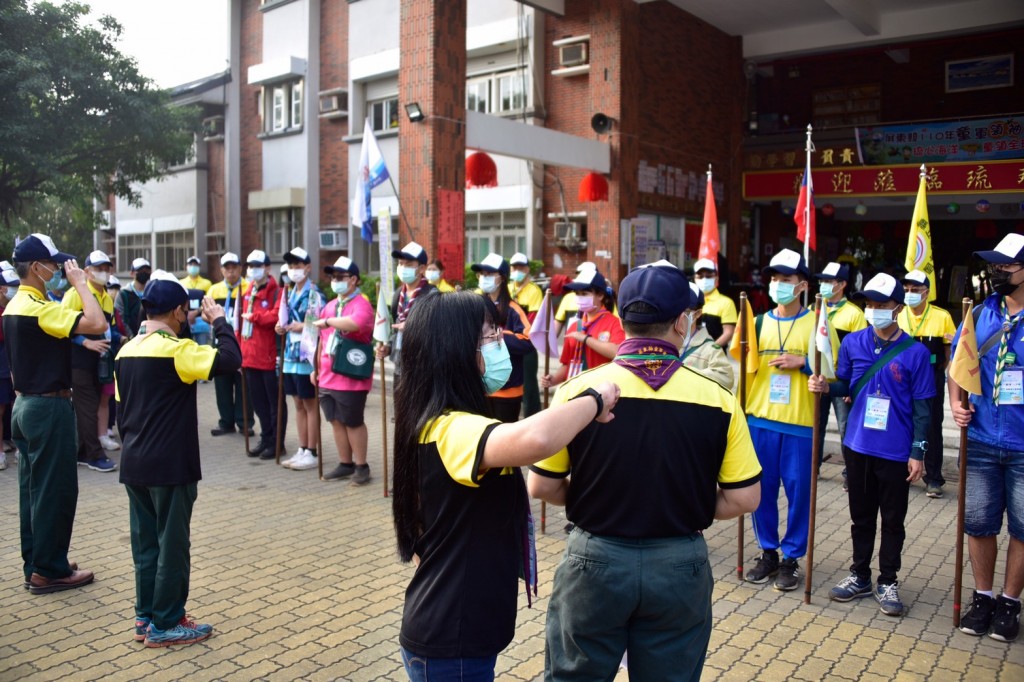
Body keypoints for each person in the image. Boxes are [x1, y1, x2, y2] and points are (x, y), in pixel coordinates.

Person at [528, 262, 761, 681]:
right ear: (681, 322)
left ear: (620, 317)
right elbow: (744, 498)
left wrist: (587, 494)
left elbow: (541, 484)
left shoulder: (577, 392)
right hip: (679, 564)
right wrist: (678, 501)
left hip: (594, 558)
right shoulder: (719, 399)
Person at [392, 290, 620, 681]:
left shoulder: (442, 420)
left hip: (455, 632)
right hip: (451, 641)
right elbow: (535, 440)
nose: (502, 344)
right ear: (454, 350)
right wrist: (594, 400)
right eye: (491, 335)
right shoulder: (452, 427)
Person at [115, 271, 241, 647]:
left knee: (146, 543)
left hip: (134, 462)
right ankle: (167, 621)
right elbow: (230, 360)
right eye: (185, 311)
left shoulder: (125, 351)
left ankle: (145, 615)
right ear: (177, 312)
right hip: (170, 464)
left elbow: (121, 413)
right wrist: (220, 321)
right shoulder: (178, 351)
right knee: (172, 544)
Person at [809, 273, 933, 617]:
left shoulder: (917, 353)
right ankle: (859, 575)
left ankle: (888, 580)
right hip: (858, 446)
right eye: (870, 304)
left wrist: (918, 452)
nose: (875, 310)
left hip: (895, 451)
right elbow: (846, 385)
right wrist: (824, 387)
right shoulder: (853, 343)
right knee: (861, 517)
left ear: (897, 308)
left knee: (893, 520)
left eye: (882, 305)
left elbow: (924, 407)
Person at [5, 233, 107, 594]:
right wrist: (82, 285)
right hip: (48, 405)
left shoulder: (15, 305)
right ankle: (50, 570)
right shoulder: (40, 309)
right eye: (52, 264)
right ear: (36, 267)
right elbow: (97, 324)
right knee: (55, 490)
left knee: (33, 490)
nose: (59, 269)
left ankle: (39, 561)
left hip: (24, 404)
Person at [950, 233, 1024, 642]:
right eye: (994, 266)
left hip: (1022, 445)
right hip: (979, 439)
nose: (997, 273)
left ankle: (1010, 603)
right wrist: (957, 404)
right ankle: (982, 598)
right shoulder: (979, 314)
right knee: (978, 524)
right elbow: (957, 367)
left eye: (1006, 266)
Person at [744, 249, 830, 592]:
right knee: (760, 492)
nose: (778, 284)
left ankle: (792, 558)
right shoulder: (758, 323)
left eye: (786, 279)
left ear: (802, 285)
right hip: (760, 422)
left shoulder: (817, 323)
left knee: (799, 494)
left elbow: (833, 372)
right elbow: (744, 372)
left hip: (799, 424)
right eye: (774, 278)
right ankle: (768, 552)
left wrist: (805, 364)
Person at [313, 256, 374, 485]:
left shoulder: (361, 304)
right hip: (328, 376)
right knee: (335, 420)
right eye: (333, 277)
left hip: (350, 377)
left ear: (354, 280)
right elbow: (321, 339)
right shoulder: (330, 305)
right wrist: (316, 368)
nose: (335, 281)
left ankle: (361, 465)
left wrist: (329, 321)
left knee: (353, 421)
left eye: (341, 277)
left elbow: (356, 324)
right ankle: (345, 463)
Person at [897, 269, 957, 499]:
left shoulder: (941, 316)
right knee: (903, 422)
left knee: (931, 425)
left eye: (915, 290)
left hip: (931, 376)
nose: (910, 294)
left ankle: (933, 478)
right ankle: (905, 471)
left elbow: (947, 348)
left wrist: (939, 368)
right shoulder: (900, 314)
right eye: (907, 290)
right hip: (901, 377)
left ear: (927, 293)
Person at [63, 250, 119, 472]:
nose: (104, 272)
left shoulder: (107, 297)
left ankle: (82, 451)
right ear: (85, 271)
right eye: (99, 268)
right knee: (86, 408)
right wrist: (85, 342)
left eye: (107, 268)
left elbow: (107, 328)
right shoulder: (74, 294)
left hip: (98, 361)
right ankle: (94, 455)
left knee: (93, 405)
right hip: (78, 361)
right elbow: (62, 326)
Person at [814, 262, 867, 485]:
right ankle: (813, 468)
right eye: (822, 281)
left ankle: (850, 472)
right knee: (816, 424)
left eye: (829, 281)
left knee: (846, 426)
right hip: (819, 379)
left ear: (843, 284)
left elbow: (861, 352)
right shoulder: (814, 309)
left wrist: (853, 385)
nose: (824, 285)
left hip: (842, 380)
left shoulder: (854, 314)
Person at [277, 247, 324, 472]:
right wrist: (281, 326)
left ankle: (312, 451)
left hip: (307, 356)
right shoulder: (288, 292)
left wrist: (301, 325)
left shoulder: (314, 293)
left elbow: (318, 324)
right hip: (290, 356)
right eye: (291, 266)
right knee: (297, 402)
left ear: (308, 267)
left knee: (310, 403)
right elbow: (284, 319)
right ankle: (302, 448)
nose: (294, 270)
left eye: (298, 266)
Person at [472, 253, 532, 422]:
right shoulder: (475, 305)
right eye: (482, 274)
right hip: (480, 388)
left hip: (508, 390)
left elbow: (529, 341)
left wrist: (498, 336)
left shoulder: (513, 309)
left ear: (502, 278)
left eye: (490, 274)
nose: (484, 278)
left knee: (506, 441)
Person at [541, 268, 623, 389]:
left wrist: (586, 339)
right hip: (574, 391)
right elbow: (568, 364)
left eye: (584, 294)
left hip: (601, 394)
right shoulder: (575, 325)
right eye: (577, 294)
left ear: (600, 295)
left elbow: (618, 353)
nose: (579, 298)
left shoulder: (614, 323)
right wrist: (553, 380)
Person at [240, 250, 285, 460]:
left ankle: (277, 442)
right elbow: (240, 323)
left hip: (268, 356)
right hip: (250, 356)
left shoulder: (277, 291)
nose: (252, 270)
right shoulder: (247, 291)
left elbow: (276, 317)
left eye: (257, 266)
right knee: (257, 402)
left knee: (273, 403)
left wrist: (255, 316)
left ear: (267, 268)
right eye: (250, 266)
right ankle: (265, 437)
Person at [207, 252, 253, 437]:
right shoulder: (214, 290)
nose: (231, 271)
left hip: (242, 340)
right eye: (227, 267)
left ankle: (245, 422)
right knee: (222, 383)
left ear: (240, 268)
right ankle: (226, 422)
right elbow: (205, 312)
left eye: (234, 267)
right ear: (221, 270)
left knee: (243, 384)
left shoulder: (248, 287)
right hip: (221, 340)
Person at [376, 241, 435, 382]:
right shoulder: (398, 294)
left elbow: (438, 330)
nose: (403, 268)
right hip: (400, 367)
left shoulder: (432, 295)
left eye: (408, 265)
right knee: (399, 404)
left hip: (423, 369)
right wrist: (388, 347)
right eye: (400, 264)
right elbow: (397, 327)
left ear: (422, 269)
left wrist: (413, 327)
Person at [509, 252, 544, 417]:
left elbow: (532, 320)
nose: (517, 270)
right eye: (514, 267)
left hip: (526, 343)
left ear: (528, 269)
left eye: (521, 267)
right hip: (508, 343)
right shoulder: (507, 288)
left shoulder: (534, 290)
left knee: (529, 385)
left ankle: (533, 417)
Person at [682, 281, 734, 389]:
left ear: (697, 314)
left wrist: (684, 374)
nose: (677, 315)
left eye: (684, 311)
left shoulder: (709, 349)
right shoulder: (663, 339)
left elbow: (726, 378)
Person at [693, 257, 738, 347]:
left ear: (716, 278)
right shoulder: (689, 300)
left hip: (715, 355)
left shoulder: (726, 303)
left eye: (709, 276)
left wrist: (711, 350)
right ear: (695, 279)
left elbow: (728, 333)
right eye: (700, 276)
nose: (704, 279)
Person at [0, 266, 19, 471]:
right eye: (11, 287)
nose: (15, 290)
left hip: (17, 368)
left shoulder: (16, 308)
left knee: (17, 408)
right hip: (1, 370)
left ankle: (20, 449)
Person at [554, 261, 596, 338]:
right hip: (571, 346)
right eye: (579, 273)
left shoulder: (604, 300)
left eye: (584, 294)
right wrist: (549, 342)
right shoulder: (568, 298)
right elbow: (558, 323)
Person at [116, 258, 152, 337]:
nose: (144, 273)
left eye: (147, 270)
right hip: (130, 338)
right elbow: (120, 318)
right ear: (132, 273)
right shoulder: (123, 293)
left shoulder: (152, 292)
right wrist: (131, 337)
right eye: (141, 271)